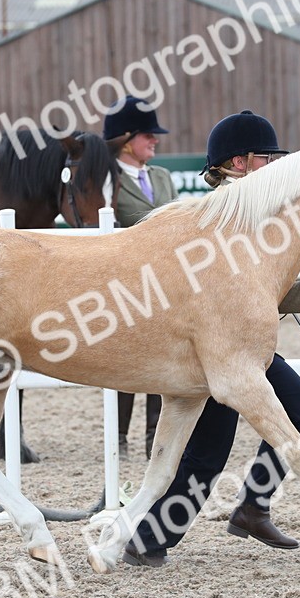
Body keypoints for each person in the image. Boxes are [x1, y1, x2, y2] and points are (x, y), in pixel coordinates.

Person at [124, 110, 300, 567]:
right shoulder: (222, 214)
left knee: (299, 412)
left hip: (236, 348)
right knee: (210, 451)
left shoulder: (251, 211)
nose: (274, 166)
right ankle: (150, 539)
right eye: (267, 158)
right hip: (213, 352)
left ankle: (250, 506)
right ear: (241, 162)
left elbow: (254, 290)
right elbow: (232, 292)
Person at [104, 96, 177, 459]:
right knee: (125, 361)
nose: (155, 140)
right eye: (148, 135)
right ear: (126, 139)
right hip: (124, 281)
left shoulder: (162, 177)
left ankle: (153, 436)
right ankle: (117, 437)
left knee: (159, 360)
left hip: (165, 283)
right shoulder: (107, 180)